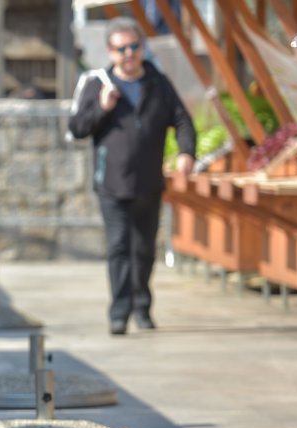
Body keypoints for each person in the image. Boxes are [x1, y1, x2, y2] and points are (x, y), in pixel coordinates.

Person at [69, 17, 195, 335]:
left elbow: (182, 120)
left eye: (134, 46)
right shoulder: (98, 84)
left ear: (142, 48)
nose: (129, 53)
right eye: (121, 48)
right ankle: (119, 312)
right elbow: (77, 128)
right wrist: (102, 107)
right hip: (111, 183)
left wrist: (186, 153)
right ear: (110, 52)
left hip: (149, 183)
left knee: (144, 249)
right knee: (118, 247)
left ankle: (142, 307)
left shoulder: (158, 83)